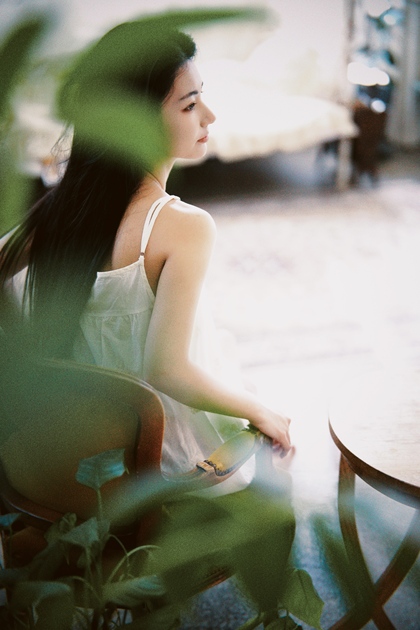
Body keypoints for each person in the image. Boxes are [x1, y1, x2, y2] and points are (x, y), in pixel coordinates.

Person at [0, 21, 291, 488]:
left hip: (79, 447)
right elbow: (168, 371)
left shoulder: (63, 207)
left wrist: (29, 358)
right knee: (272, 443)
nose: (210, 116)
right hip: (159, 460)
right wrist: (259, 411)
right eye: (190, 105)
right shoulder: (185, 227)